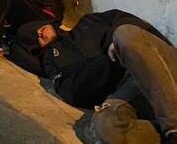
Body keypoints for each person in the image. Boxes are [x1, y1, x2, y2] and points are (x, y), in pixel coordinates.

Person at [19, 10, 176, 144]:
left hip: (159, 67)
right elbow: (71, 92)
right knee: (106, 126)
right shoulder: (53, 63)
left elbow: (127, 22)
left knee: (124, 35)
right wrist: (109, 62)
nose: (40, 31)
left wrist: (115, 44)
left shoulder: (88, 21)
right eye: (35, 35)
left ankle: (173, 127)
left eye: (38, 27)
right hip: (129, 88)